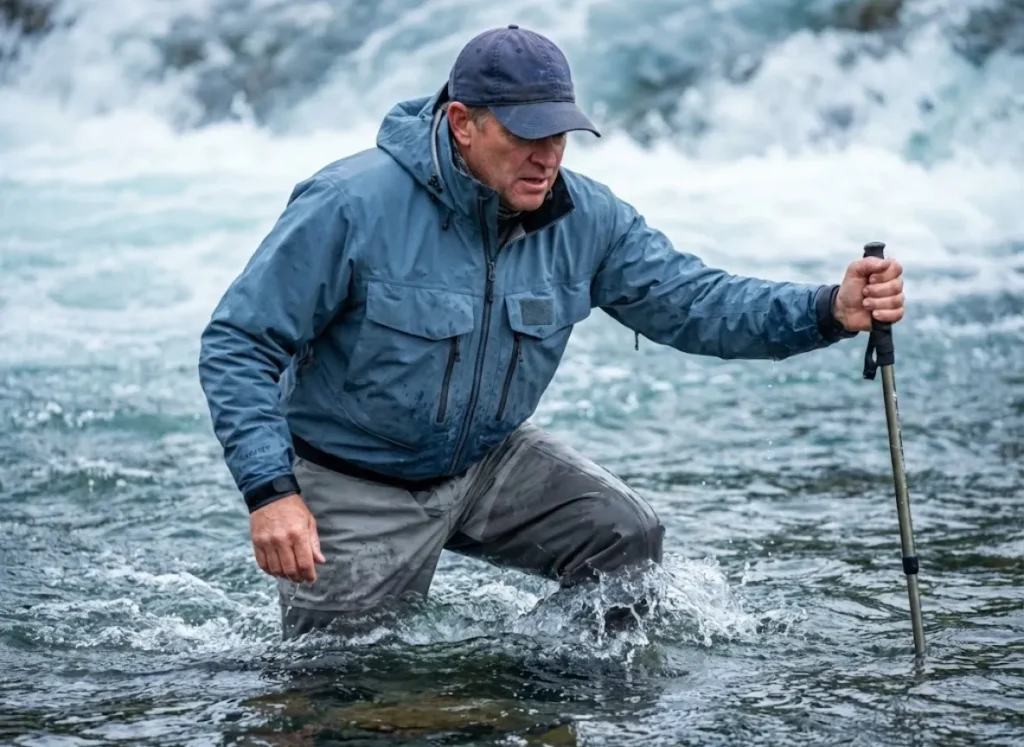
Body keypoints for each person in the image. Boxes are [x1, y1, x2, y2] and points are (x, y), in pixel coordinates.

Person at [198, 25, 905, 638]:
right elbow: (238, 342)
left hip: (484, 460)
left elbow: (695, 300)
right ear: (461, 123)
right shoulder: (349, 204)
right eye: (526, 134)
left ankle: (534, 684)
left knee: (624, 537)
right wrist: (271, 491)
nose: (548, 155)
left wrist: (826, 309)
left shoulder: (586, 219)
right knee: (345, 686)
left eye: (560, 133)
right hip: (353, 478)